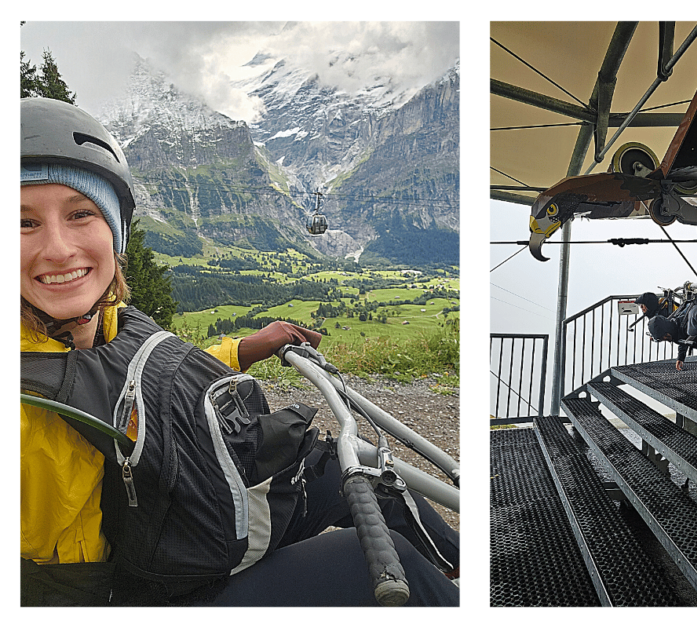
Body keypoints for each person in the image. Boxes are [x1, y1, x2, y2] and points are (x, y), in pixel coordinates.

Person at [20, 97, 458, 606]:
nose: (58, 248)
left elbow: (156, 371)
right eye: (23, 222)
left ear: (114, 232)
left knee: (347, 472)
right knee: (371, 561)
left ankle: (463, 567)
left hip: (175, 532)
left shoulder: (111, 322)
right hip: (133, 595)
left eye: (80, 214)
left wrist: (245, 349)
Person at [647, 301, 697, 371]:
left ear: (666, 335)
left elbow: (685, 337)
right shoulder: (675, 324)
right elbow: (683, 338)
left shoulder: (686, 327)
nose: (664, 339)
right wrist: (680, 358)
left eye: (662, 338)